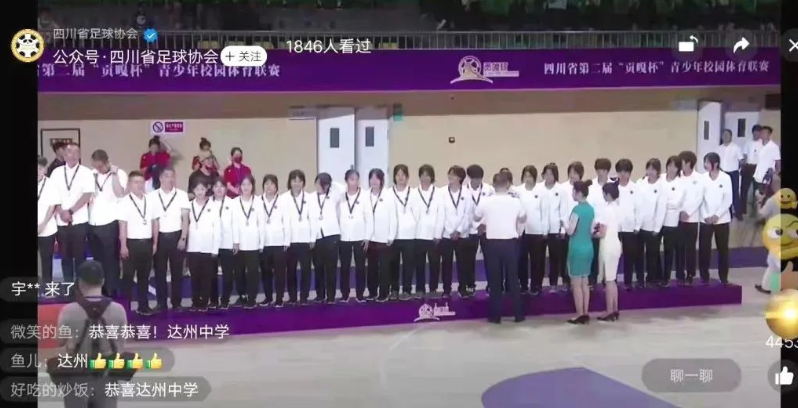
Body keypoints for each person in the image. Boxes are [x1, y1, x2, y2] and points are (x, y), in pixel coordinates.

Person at [56, 261, 127, 408]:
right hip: (107, 374)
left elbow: (60, 341)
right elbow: (121, 344)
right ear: (103, 281)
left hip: (77, 374)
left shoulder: (68, 310)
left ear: (80, 283)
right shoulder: (119, 310)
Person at [474, 172, 525, 324]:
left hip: (492, 244)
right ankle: (518, 314)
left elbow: (476, 217)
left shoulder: (486, 201)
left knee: (495, 280)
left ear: (494, 185)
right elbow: (523, 217)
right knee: (513, 279)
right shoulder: (515, 202)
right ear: (508, 185)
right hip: (510, 243)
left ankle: (495, 316)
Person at [118, 171, 160, 315]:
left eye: (141, 182)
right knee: (128, 277)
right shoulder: (124, 202)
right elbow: (122, 226)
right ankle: (125, 308)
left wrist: (155, 243)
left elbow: (155, 222)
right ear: (130, 184)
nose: (139, 185)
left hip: (147, 243)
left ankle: (143, 306)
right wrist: (123, 245)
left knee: (144, 277)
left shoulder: (150, 200)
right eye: (136, 182)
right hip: (131, 244)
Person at [148, 167, 190, 312]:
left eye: (172, 176)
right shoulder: (152, 196)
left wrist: (183, 238)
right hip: (159, 237)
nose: (170, 179)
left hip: (177, 236)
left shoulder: (181, 195)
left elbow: (185, 218)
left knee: (177, 272)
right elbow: (151, 220)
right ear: (160, 178)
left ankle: (176, 302)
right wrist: (153, 242)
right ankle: (161, 303)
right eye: (167, 176)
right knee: (159, 271)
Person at [51, 142, 94, 283]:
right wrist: (61, 212)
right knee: (65, 257)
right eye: (70, 152)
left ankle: (80, 286)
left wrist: (70, 211)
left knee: (80, 257)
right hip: (61, 221)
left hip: (79, 221)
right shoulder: (56, 173)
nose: (74, 155)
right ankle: (68, 286)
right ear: (64, 155)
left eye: (77, 152)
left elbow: (87, 195)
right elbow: (52, 196)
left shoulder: (86, 172)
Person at [88, 150, 127, 297]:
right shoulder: (92, 174)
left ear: (107, 162)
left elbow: (119, 193)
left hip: (110, 221)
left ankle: (112, 288)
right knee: (97, 259)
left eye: (100, 166)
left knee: (111, 259)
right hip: (93, 221)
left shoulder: (119, 173)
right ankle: (100, 288)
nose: (98, 169)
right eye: (95, 166)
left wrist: (114, 174)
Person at [339, 170, 374, 302]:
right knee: (344, 267)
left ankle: (360, 294)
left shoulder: (365, 195)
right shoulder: (341, 196)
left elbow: (369, 217)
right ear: (346, 181)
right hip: (344, 237)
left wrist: (367, 237)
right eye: (351, 179)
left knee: (360, 267)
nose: (354, 182)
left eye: (356, 179)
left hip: (360, 237)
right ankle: (345, 294)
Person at [186, 175, 221, 312]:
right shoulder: (189, 206)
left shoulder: (213, 206)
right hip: (192, 247)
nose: (200, 192)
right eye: (197, 189)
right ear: (193, 190)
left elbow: (217, 229)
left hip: (208, 248)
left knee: (207, 277)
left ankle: (205, 302)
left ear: (207, 189)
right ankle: (195, 301)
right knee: (194, 277)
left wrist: (215, 249)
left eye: (202, 189)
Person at [698, 152, 733, 285]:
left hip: (722, 220)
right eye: (705, 162)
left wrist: (717, 215)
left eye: (708, 162)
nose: (705, 164)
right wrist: (706, 216)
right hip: (705, 219)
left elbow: (728, 199)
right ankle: (704, 276)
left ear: (716, 164)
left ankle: (723, 277)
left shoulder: (726, 178)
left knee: (723, 249)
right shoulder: (702, 178)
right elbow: (700, 198)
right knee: (704, 249)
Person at [210, 177, 244, 309]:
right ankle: (213, 300)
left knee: (228, 274)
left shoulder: (232, 203)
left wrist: (236, 242)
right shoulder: (208, 202)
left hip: (227, 243)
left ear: (225, 188)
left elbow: (236, 223)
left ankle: (225, 299)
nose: (219, 189)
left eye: (222, 186)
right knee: (211, 274)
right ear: (212, 188)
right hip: (211, 244)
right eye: (216, 186)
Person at [438, 165, 471, 299]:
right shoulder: (442, 192)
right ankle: (446, 289)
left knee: (463, 263)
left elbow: (468, 214)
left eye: (454, 174)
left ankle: (463, 288)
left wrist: (458, 230)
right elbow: (441, 214)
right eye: (449, 174)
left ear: (460, 178)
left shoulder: (467, 193)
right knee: (446, 264)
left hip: (461, 234)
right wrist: (450, 231)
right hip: (447, 234)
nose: (450, 176)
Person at [283, 170, 315, 305]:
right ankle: (292, 297)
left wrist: (312, 238)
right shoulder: (284, 198)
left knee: (306, 270)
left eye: (299, 181)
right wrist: (285, 240)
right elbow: (283, 221)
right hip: (289, 241)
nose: (297, 183)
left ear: (303, 183)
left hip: (305, 240)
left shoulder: (309, 198)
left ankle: (304, 297)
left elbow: (313, 219)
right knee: (290, 271)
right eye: (294, 181)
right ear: (290, 182)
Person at [310, 172, 342, 304]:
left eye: (321, 184)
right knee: (318, 267)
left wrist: (330, 183)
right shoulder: (311, 197)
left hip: (331, 236)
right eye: (317, 183)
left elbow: (343, 189)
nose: (318, 186)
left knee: (331, 268)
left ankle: (331, 295)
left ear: (327, 185)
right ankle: (320, 294)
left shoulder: (333, 195)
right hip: (317, 237)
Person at [566, 180, 595, 325]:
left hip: (577, 248)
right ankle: (586, 312)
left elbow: (571, 230)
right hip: (588, 247)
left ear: (578, 193)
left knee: (576, 283)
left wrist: (564, 224)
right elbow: (592, 229)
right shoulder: (591, 209)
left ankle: (579, 314)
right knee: (585, 282)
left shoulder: (576, 210)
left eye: (573, 191)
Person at [413, 164, 445, 299]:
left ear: (432, 177)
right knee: (419, 264)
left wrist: (438, 234)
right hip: (418, 234)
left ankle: (433, 288)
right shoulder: (414, 192)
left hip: (433, 235)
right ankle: (420, 289)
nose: (425, 178)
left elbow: (441, 214)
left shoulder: (438, 193)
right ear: (419, 176)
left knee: (435, 264)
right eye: (422, 175)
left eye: (428, 175)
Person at [462, 164, 494, 297]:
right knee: (469, 260)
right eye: (475, 178)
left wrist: (484, 224)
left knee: (490, 259)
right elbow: (464, 212)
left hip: (486, 229)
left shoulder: (489, 189)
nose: (478, 181)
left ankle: (491, 285)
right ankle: (470, 285)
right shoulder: (464, 190)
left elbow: (492, 209)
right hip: (470, 230)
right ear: (470, 177)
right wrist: (474, 225)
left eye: (480, 178)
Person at [233, 174, 264, 309]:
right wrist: (235, 241)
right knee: (239, 272)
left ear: (253, 186)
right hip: (239, 244)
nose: (246, 187)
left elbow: (261, 224)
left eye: (248, 184)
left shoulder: (258, 202)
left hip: (253, 243)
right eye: (243, 185)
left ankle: (252, 298)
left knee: (253, 272)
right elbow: (234, 223)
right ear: (239, 187)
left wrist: (261, 243)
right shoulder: (234, 202)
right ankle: (242, 296)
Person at [517, 165, 548, 296]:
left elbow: (544, 212)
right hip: (521, 230)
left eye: (530, 176)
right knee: (521, 259)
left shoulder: (541, 191)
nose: (528, 178)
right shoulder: (518, 191)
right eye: (525, 176)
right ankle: (523, 285)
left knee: (537, 260)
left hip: (537, 231)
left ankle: (536, 285)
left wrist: (545, 230)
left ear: (535, 177)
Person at [259, 174, 290, 307]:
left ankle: (279, 298)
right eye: (266, 184)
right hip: (264, 243)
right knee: (265, 272)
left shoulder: (282, 201)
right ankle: (268, 297)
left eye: (272, 184)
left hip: (279, 242)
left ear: (276, 186)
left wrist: (287, 241)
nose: (269, 186)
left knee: (279, 273)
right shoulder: (258, 201)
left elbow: (287, 222)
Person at [367, 169, 397, 302]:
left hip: (384, 238)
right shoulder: (365, 195)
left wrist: (391, 236)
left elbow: (393, 217)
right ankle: (372, 292)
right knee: (372, 268)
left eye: (377, 178)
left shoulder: (389, 195)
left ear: (381, 180)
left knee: (384, 268)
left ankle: (384, 293)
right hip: (370, 238)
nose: (374, 181)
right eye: (371, 178)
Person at [637, 159, 667, 287]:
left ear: (658, 171)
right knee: (639, 254)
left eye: (653, 169)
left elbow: (661, 209)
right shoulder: (640, 183)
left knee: (652, 254)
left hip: (653, 226)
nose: (650, 172)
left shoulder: (661, 186)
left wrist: (657, 228)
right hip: (639, 225)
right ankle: (640, 279)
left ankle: (652, 278)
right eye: (648, 169)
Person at [594, 183, 622, 321]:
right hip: (616, 243)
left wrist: (593, 234)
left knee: (609, 280)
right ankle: (615, 309)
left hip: (608, 245)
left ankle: (609, 310)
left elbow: (602, 232)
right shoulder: (618, 208)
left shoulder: (607, 210)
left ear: (608, 194)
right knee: (613, 278)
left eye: (604, 193)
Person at [390, 164, 417, 300]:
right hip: (393, 235)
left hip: (409, 235)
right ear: (394, 177)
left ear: (407, 177)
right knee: (393, 264)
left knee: (408, 264)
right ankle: (394, 289)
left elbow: (418, 213)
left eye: (403, 174)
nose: (401, 177)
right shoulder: (388, 193)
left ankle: (407, 290)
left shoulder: (414, 192)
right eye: (398, 174)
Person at [614, 159, 642, 290]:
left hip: (631, 228)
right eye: (620, 171)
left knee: (629, 256)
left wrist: (637, 226)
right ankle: (612, 281)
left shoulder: (635, 188)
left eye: (626, 171)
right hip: (615, 228)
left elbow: (639, 209)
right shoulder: (613, 187)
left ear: (630, 173)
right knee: (614, 255)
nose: (623, 174)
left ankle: (628, 282)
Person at [557, 161, 584, 291]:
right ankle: (566, 280)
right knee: (565, 255)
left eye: (575, 173)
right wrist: (563, 228)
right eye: (571, 172)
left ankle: (581, 280)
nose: (572, 175)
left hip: (581, 228)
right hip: (567, 227)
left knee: (579, 256)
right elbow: (562, 209)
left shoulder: (584, 188)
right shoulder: (563, 188)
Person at [541, 163, 568, 291]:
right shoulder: (539, 189)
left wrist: (563, 229)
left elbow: (564, 211)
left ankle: (556, 283)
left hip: (556, 229)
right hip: (540, 230)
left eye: (551, 174)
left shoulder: (561, 190)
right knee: (540, 259)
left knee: (556, 258)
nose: (548, 176)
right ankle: (540, 284)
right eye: (546, 174)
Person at [677, 151, 703, 285]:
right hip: (678, 217)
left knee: (690, 248)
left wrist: (688, 212)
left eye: (681, 162)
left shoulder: (699, 178)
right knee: (679, 247)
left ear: (689, 163)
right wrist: (680, 212)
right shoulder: (678, 177)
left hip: (692, 217)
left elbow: (699, 198)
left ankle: (690, 274)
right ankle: (679, 274)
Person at [587, 158, 612, 288]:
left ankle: (608, 278)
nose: (600, 172)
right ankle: (592, 279)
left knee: (607, 253)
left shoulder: (614, 185)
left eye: (603, 170)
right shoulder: (591, 186)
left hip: (609, 224)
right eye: (598, 169)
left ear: (608, 171)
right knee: (594, 254)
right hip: (595, 224)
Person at [755, 171, 781, 294]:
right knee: (773, 263)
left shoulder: (772, 200)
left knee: (776, 263)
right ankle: (770, 287)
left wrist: (759, 202)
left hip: (776, 235)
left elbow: (760, 216)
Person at [661, 156, 685, 287]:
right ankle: (659, 277)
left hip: (672, 221)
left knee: (670, 250)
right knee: (658, 251)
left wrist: (663, 203)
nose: (671, 169)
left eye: (674, 166)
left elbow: (676, 203)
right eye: (669, 165)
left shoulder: (681, 183)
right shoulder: (660, 179)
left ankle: (668, 278)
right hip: (658, 220)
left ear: (678, 168)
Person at [38, 156, 60, 284]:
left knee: (46, 261)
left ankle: (46, 287)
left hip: (47, 229)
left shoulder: (51, 184)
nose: (37, 171)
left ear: (45, 169)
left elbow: (53, 206)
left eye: (40, 168)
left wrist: (43, 224)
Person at [717, 129, 744, 220]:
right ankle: (728, 213)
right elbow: (716, 161)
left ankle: (738, 213)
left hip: (733, 173)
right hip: (722, 173)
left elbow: (741, 160)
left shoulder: (736, 148)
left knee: (735, 193)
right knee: (724, 193)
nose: (725, 136)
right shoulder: (718, 148)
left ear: (731, 136)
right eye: (724, 135)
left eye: (727, 135)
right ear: (722, 136)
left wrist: (739, 168)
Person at [740, 125, 763, 217]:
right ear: (752, 133)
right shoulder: (748, 143)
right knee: (744, 189)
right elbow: (745, 156)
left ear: (760, 134)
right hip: (748, 167)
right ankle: (742, 210)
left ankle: (754, 211)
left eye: (758, 134)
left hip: (758, 168)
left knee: (756, 191)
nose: (756, 135)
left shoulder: (763, 144)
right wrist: (742, 165)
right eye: (755, 134)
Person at [752, 126, 781, 197]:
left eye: (765, 133)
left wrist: (775, 174)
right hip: (757, 175)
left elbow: (778, 162)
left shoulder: (774, 147)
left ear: (769, 135)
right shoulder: (758, 144)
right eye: (762, 132)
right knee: (756, 195)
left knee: (765, 197)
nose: (762, 134)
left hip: (767, 177)